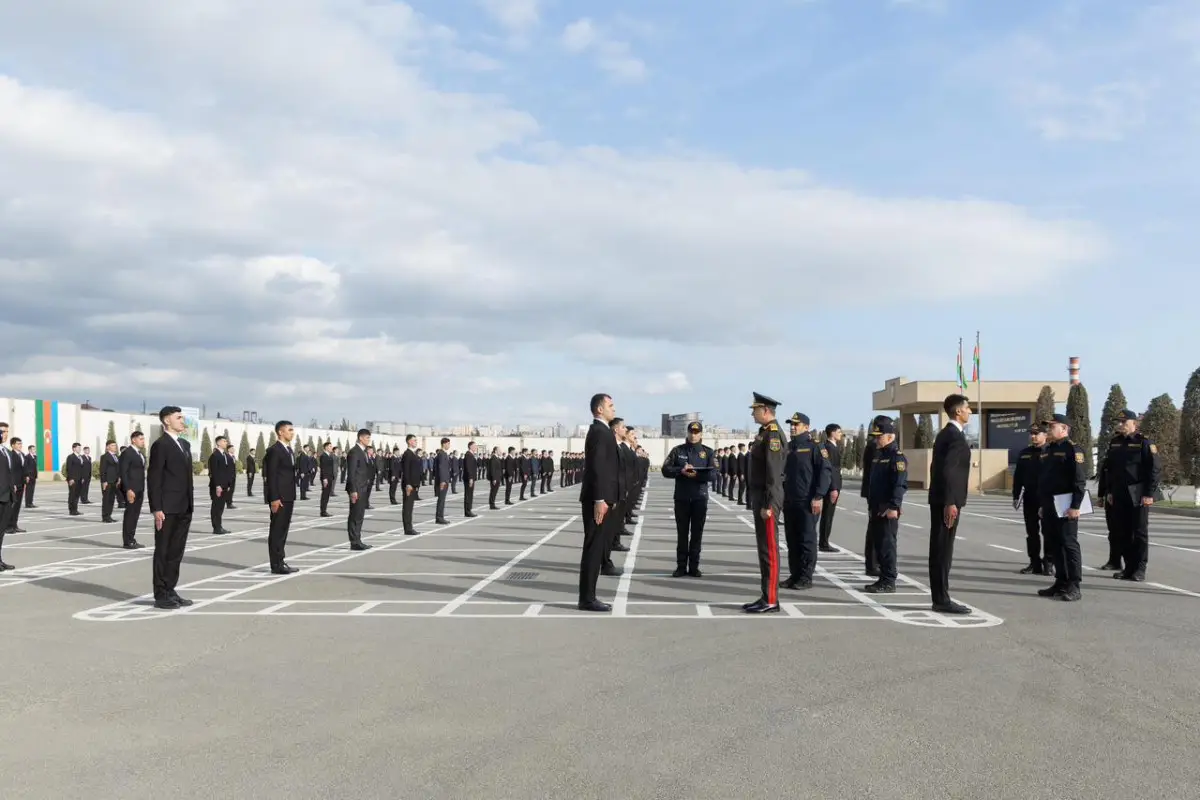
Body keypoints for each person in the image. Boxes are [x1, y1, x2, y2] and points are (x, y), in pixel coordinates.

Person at [1101, 409, 1160, 582]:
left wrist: (1149, 493)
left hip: (1138, 493)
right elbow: (1110, 469)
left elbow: (1154, 469)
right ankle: (1128, 568)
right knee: (1122, 531)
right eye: (1118, 422)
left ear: (1134, 424)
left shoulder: (1144, 442)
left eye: (1124, 422)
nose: (1120, 425)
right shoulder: (1115, 442)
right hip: (1119, 493)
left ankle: (1140, 568)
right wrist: (1109, 491)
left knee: (1139, 532)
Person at [147, 406, 195, 609]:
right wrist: (157, 508)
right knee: (164, 550)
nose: (182, 421)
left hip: (184, 506)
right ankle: (161, 594)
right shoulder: (161, 445)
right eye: (179, 417)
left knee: (177, 551)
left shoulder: (184, 444)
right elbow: (154, 477)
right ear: (167, 421)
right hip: (167, 507)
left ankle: (171, 588)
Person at [928, 394, 972, 614]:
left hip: (944, 499)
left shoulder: (947, 434)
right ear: (958, 411)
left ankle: (940, 597)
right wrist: (950, 502)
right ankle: (941, 599)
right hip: (947, 502)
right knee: (942, 549)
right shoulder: (953, 436)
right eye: (967, 408)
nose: (970, 411)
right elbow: (948, 471)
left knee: (941, 547)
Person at [744, 392, 787, 614]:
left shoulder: (773, 435)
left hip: (768, 498)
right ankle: (765, 595)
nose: (753, 414)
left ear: (766, 411)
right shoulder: (764, 433)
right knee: (763, 549)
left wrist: (769, 504)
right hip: (760, 496)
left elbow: (773, 472)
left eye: (755, 410)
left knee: (770, 549)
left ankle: (771, 599)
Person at [1037, 413, 1087, 601]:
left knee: (1069, 544)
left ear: (1064, 429)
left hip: (1066, 505)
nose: (1049, 429)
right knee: (1054, 543)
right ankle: (1061, 581)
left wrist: (1075, 506)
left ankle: (1074, 585)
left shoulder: (1073, 449)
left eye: (1052, 426)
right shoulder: (1048, 449)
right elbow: (1045, 479)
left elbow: (1079, 480)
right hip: (1050, 504)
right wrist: (1043, 504)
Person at [781, 412, 831, 590]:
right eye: (791, 424)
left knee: (807, 540)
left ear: (806, 427)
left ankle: (805, 576)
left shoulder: (815, 447)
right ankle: (794, 575)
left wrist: (818, 496)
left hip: (807, 501)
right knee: (792, 540)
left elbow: (825, 472)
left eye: (797, 424)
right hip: (790, 501)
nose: (793, 427)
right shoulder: (787, 447)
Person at [579, 392, 619, 612]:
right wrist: (599, 499)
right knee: (593, 548)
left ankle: (589, 595)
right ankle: (587, 598)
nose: (614, 409)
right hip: (598, 499)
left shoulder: (603, 431)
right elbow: (597, 468)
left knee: (595, 546)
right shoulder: (599, 432)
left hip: (602, 498)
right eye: (611, 405)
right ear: (599, 409)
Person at [661, 420, 716, 577]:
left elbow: (713, 475)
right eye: (691, 432)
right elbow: (665, 470)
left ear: (701, 434)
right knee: (682, 533)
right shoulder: (677, 451)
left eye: (696, 432)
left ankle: (694, 566)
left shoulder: (708, 452)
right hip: (682, 498)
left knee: (697, 533)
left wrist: (696, 474)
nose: (693, 435)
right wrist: (681, 470)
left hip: (699, 498)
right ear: (687, 432)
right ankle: (680, 566)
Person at [864, 417, 906, 593]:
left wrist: (894, 506)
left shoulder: (897, 458)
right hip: (876, 507)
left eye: (879, 436)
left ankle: (889, 580)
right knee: (880, 545)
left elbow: (900, 484)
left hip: (887, 508)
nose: (876, 440)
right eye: (875, 436)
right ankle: (882, 578)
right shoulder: (879, 455)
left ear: (890, 437)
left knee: (887, 545)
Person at [1011, 424, 1051, 575]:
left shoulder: (1051, 451)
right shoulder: (1024, 453)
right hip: (1030, 498)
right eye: (1031, 434)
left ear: (1045, 435)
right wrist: (1016, 496)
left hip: (1046, 498)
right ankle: (1034, 563)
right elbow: (1018, 477)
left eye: (1036, 433)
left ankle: (1049, 562)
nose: (1033, 436)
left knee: (1048, 532)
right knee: (1032, 532)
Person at [263, 420, 298, 574]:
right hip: (280, 497)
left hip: (289, 495)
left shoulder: (289, 450)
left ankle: (281, 560)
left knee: (283, 529)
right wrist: (274, 498)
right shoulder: (274, 450)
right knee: (277, 530)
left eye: (292, 430)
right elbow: (271, 476)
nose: (292, 432)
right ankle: (276, 564)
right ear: (280, 432)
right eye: (289, 430)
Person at [344, 428, 373, 551]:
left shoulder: (363, 451)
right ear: (360, 438)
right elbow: (351, 473)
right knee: (355, 515)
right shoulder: (354, 452)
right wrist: (353, 490)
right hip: (356, 488)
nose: (368, 440)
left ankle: (358, 539)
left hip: (362, 487)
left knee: (360, 514)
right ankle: (354, 541)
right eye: (367, 438)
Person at [119, 431, 147, 550]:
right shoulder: (127, 453)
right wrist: (128, 489)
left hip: (140, 488)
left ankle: (132, 538)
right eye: (140, 439)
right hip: (132, 490)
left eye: (143, 439)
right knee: (130, 515)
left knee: (135, 515)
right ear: (133, 440)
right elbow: (123, 473)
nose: (143, 441)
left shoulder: (139, 453)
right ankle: (127, 541)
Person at [818, 424, 843, 552]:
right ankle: (824, 542)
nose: (841, 434)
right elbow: (831, 469)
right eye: (839, 431)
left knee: (828, 515)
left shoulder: (832, 447)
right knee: (827, 515)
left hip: (833, 486)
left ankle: (824, 541)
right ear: (832, 433)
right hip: (831, 487)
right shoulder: (829, 448)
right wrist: (834, 488)